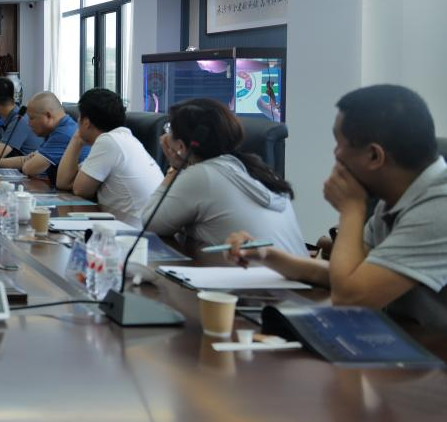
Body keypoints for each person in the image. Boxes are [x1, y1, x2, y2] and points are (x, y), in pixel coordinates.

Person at [226, 85, 447, 328]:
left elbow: (349, 298)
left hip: (430, 348)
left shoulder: (438, 209)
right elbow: (346, 275)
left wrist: (351, 209)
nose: (336, 154)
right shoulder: (398, 197)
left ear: (374, 156)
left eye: (339, 144)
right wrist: (268, 255)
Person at [141, 98, 306, 261]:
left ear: (181, 146)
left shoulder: (203, 175)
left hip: (256, 277)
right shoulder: (261, 171)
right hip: (299, 275)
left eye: (169, 129)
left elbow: (149, 222)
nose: (165, 135)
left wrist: (175, 168)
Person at [56, 88, 163, 216]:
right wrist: (77, 139)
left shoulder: (108, 141)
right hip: (137, 222)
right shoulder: (122, 138)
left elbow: (80, 190)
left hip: (131, 225)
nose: (77, 121)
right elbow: (64, 182)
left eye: (80, 117)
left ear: (86, 122)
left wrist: (76, 138)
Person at [0, 91, 85, 179]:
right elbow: (24, 160)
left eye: (32, 118)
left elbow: (29, 168)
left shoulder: (62, 133)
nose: (29, 123)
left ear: (48, 116)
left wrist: (31, 161)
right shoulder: (59, 128)